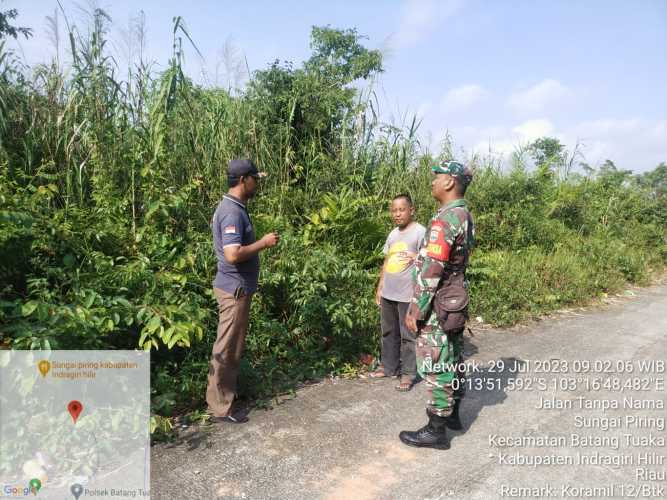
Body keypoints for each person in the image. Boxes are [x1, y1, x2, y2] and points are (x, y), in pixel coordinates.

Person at [399, 160, 474, 449]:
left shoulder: (446, 219)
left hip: (439, 303)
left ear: (450, 182)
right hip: (454, 299)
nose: (432, 181)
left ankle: (436, 429)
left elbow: (433, 269)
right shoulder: (463, 214)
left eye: (437, 176)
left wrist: (416, 309)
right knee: (453, 355)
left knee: (436, 360)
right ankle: (453, 413)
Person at [206, 159, 279, 423]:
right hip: (233, 290)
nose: (257, 183)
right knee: (226, 347)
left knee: (232, 346)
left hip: (236, 289)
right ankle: (220, 407)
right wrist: (263, 243)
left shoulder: (235, 207)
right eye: (254, 178)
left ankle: (226, 395)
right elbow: (233, 254)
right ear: (242, 180)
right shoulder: (231, 212)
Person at [370, 194, 426, 391]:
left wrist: (417, 255)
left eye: (401, 209)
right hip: (389, 292)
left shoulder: (420, 232)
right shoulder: (393, 234)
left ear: (412, 210)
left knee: (408, 334)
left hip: (407, 294)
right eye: (394, 210)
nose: (397, 214)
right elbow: (386, 262)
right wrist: (380, 287)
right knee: (388, 331)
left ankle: (409, 374)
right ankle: (389, 366)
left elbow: (432, 258)